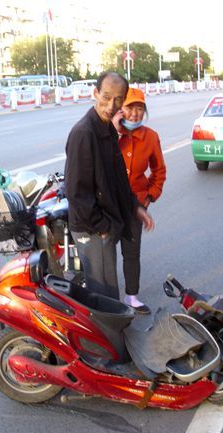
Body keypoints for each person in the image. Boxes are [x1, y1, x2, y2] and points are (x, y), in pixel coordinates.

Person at [64, 72, 154, 304]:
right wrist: (102, 227)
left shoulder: (107, 129)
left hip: (103, 222)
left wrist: (134, 207)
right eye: (106, 97)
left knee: (106, 291)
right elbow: (76, 192)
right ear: (95, 93)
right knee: (105, 296)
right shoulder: (84, 133)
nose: (111, 106)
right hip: (91, 227)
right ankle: (105, 329)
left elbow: (118, 179)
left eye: (118, 99)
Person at [112, 88, 167, 314]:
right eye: (130, 107)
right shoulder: (109, 134)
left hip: (136, 205)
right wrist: (114, 132)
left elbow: (159, 171)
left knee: (131, 252)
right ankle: (106, 300)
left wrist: (149, 196)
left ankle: (131, 297)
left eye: (140, 108)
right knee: (105, 254)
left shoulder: (150, 137)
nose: (135, 113)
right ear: (120, 110)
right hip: (109, 205)